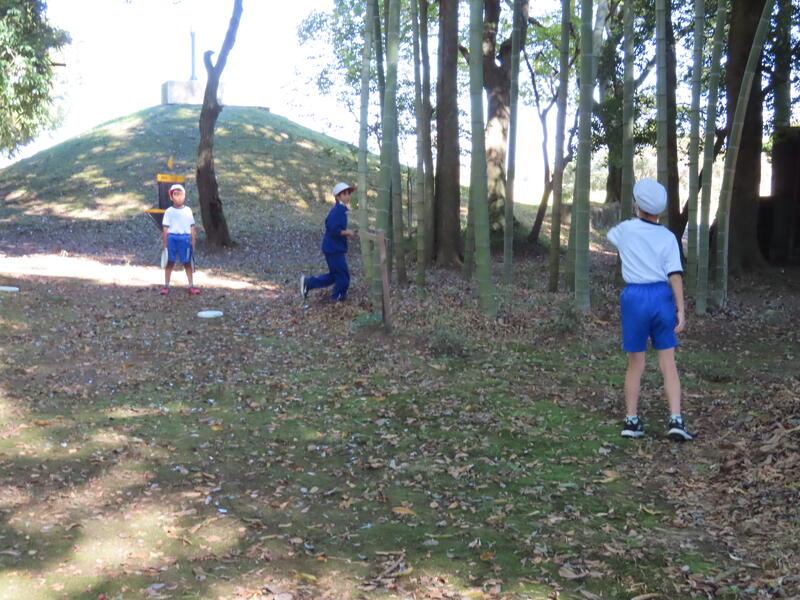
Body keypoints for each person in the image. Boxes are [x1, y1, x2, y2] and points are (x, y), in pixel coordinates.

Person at [607, 178, 692, 441]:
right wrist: (681, 309)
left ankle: (631, 420)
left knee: (636, 362)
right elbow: (675, 275)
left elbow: (611, 237)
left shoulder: (625, 230)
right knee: (668, 362)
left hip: (634, 298)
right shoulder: (668, 237)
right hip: (661, 297)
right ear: (660, 210)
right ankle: (676, 420)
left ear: (637, 205)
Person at [300, 182, 357, 303]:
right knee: (343, 277)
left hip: (333, 247)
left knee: (334, 276)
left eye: (348, 194)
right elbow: (332, 229)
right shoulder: (338, 210)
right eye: (345, 194)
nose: (348, 196)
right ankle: (337, 299)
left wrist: (347, 234)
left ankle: (308, 283)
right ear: (337, 197)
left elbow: (337, 229)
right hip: (334, 249)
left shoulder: (342, 210)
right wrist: (347, 232)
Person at [160, 183, 199, 295]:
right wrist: (164, 243)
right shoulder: (169, 211)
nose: (178, 197)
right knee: (170, 262)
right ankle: (166, 285)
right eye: (176, 194)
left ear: (184, 196)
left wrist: (193, 240)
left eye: (181, 194)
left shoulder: (188, 210)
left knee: (187, 262)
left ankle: (191, 285)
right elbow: (165, 228)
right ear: (171, 197)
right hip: (172, 238)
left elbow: (192, 227)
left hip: (185, 239)